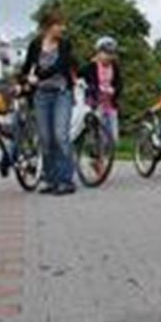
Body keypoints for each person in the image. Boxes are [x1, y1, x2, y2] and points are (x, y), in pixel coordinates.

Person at [20, 10, 78, 196]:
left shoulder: (65, 44)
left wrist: (38, 77)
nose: (62, 28)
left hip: (62, 93)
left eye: (62, 24)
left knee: (60, 135)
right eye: (58, 24)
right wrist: (21, 83)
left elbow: (61, 66)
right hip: (42, 95)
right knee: (46, 139)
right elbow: (26, 67)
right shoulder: (36, 44)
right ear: (48, 27)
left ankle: (66, 180)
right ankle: (51, 179)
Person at [80, 36, 123, 143]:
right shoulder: (91, 66)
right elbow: (79, 76)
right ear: (98, 53)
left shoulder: (115, 67)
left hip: (109, 103)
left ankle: (107, 153)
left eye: (111, 53)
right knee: (96, 130)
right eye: (105, 53)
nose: (108, 56)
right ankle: (94, 150)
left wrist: (114, 90)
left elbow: (119, 83)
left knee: (112, 135)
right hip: (94, 102)